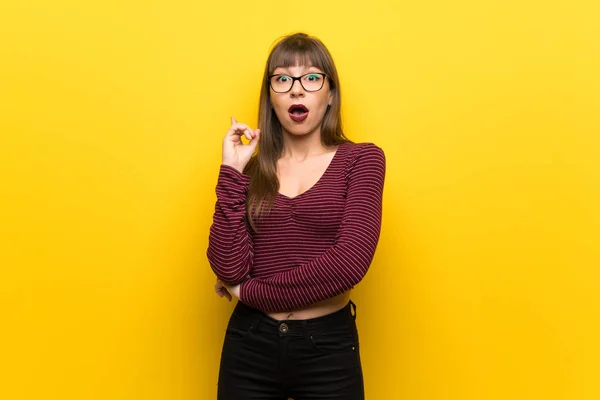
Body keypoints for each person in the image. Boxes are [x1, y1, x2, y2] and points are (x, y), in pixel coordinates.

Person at [206, 32, 386, 399]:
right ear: (271, 97)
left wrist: (249, 292)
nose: (297, 90)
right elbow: (227, 267)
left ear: (330, 94)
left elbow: (348, 264)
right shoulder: (252, 171)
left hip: (328, 352)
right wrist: (232, 173)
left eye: (312, 78)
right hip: (249, 344)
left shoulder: (362, 161)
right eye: (283, 79)